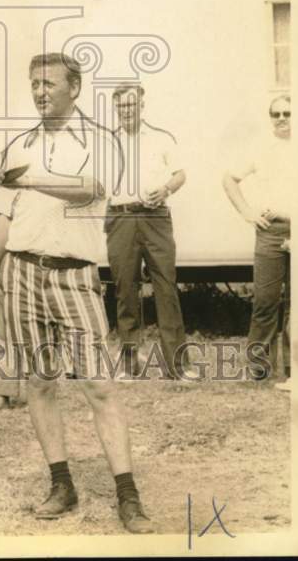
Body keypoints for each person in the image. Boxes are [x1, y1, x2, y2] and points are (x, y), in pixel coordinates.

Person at [0, 52, 154, 534]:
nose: (39, 91)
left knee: (99, 384)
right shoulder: (20, 144)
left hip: (74, 276)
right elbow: (4, 218)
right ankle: (61, 483)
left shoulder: (100, 138)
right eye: (34, 83)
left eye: (49, 83)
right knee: (38, 382)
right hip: (22, 274)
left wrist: (18, 176)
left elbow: (89, 189)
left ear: (74, 88)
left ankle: (128, 494)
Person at [105, 84, 187, 379]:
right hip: (121, 218)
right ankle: (129, 365)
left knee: (166, 287)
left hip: (155, 218)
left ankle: (177, 366)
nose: (126, 111)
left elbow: (180, 174)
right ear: (116, 109)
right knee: (125, 289)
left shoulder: (161, 138)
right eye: (121, 107)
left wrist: (165, 189)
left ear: (141, 106)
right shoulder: (106, 142)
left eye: (131, 105)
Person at [222, 94, 292, 382]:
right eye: (275, 114)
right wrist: (248, 212)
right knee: (265, 300)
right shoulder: (261, 147)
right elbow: (229, 179)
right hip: (270, 231)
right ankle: (257, 369)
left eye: (287, 113)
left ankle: (295, 369)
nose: (281, 119)